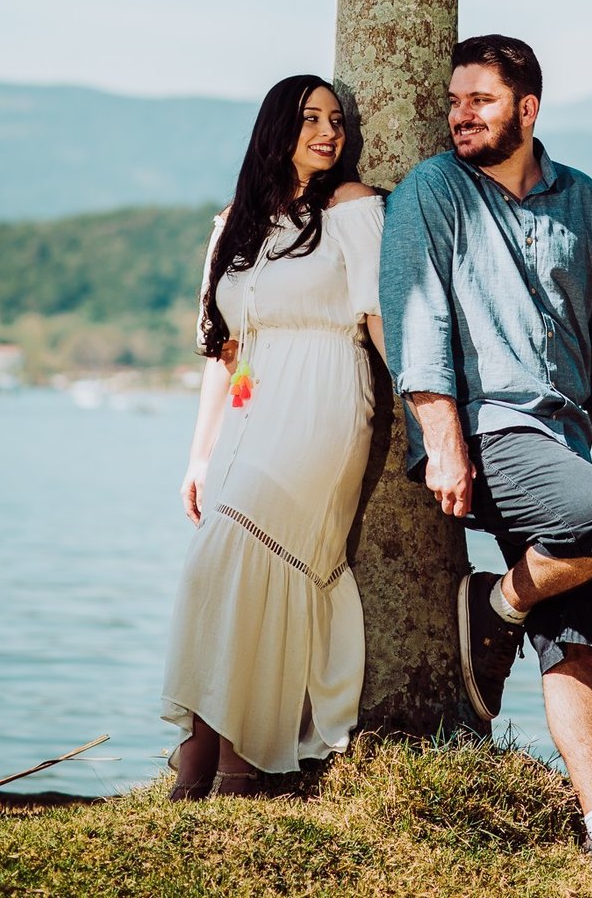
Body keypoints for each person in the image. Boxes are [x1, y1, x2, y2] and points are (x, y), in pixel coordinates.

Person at [379, 34, 592, 892]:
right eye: (453, 101)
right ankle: (498, 600)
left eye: (478, 100)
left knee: (577, 641)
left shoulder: (583, 200)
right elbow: (418, 322)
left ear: (528, 108)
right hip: (487, 435)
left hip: (570, 442)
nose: (460, 115)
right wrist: (442, 441)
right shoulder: (432, 191)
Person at [161, 74, 386, 796]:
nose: (328, 132)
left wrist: (427, 412)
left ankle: (240, 764)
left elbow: (380, 316)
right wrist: (199, 453)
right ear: (275, 129)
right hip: (248, 418)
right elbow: (221, 352)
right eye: (310, 118)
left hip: (323, 404)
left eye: (337, 121)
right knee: (213, 574)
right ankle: (199, 765)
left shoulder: (352, 208)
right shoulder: (234, 222)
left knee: (246, 562)